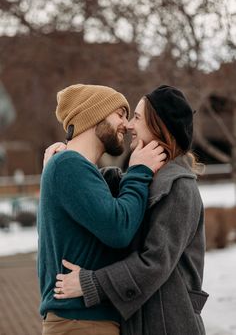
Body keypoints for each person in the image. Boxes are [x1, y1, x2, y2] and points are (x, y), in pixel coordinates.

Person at [48, 85, 209, 335]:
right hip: (139, 323)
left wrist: (92, 283)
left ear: (158, 126)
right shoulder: (149, 179)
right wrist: (67, 161)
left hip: (169, 325)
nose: (129, 125)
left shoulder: (180, 188)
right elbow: (106, 189)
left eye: (135, 117)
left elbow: (155, 262)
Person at [38, 83, 166, 335]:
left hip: (83, 320)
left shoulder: (73, 168)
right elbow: (119, 229)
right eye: (120, 114)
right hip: (82, 323)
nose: (127, 124)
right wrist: (139, 171)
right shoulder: (68, 164)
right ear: (94, 115)